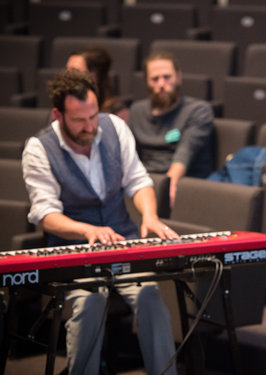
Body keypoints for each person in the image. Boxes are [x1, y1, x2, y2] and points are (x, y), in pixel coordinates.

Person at [22, 69, 178, 375]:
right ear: (58, 114)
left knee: (151, 298)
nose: (89, 126)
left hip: (123, 244)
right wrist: (87, 230)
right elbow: (45, 214)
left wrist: (149, 216)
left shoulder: (114, 127)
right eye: (79, 120)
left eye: (93, 116)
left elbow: (138, 180)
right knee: (90, 303)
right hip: (75, 253)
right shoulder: (39, 148)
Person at [129, 50, 214, 207]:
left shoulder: (198, 110)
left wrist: (167, 185)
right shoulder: (137, 110)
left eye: (167, 77)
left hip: (185, 182)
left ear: (178, 77)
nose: (161, 84)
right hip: (146, 181)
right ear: (147, 82)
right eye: (155, 79)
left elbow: (185, 152)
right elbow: (132, 156)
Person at [66, 46, 130, 122]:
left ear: (94, 75)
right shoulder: (64, 106)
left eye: (74, 71)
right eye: (67, 70)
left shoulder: (118, 114)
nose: (66, 76)